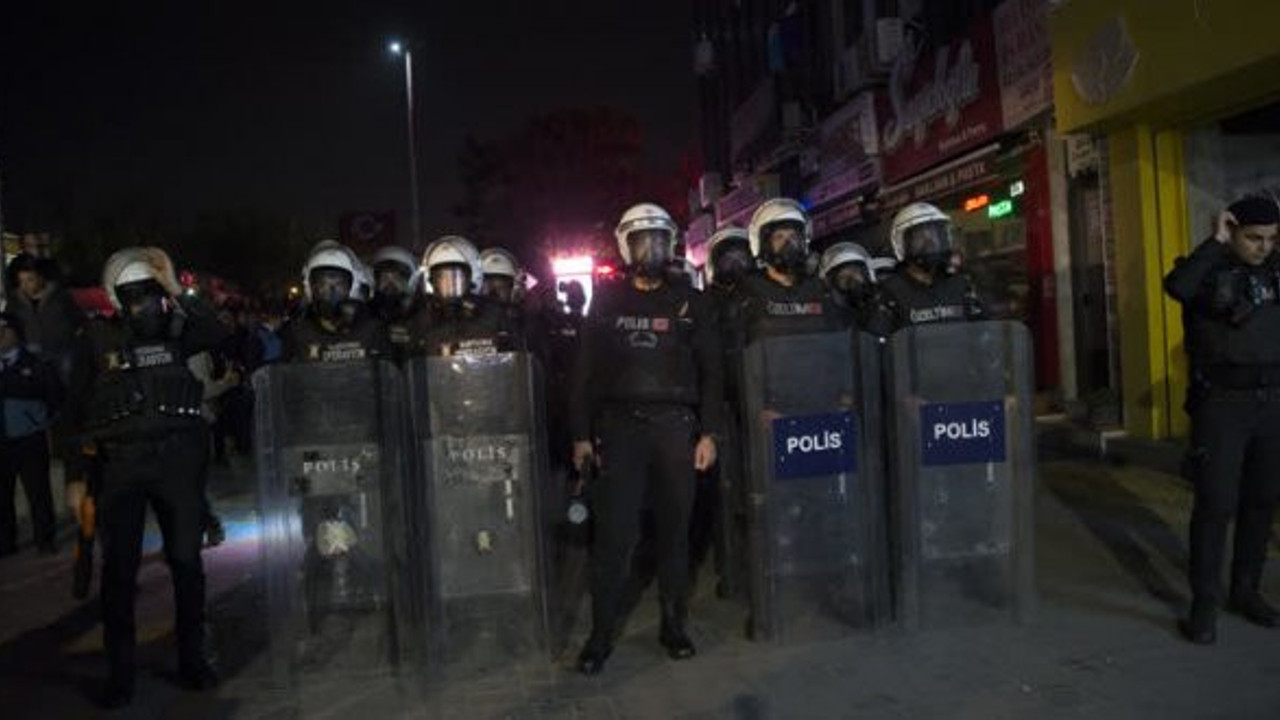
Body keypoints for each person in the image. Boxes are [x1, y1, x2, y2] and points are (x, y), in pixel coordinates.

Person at [67, 247, 227, 707]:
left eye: (152, 296)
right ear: (118, 301)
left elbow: (216, 332)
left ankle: (192, 660)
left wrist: (176, 288)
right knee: (118, 573)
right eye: (133, 298)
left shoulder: (180, 333)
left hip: (177, 463)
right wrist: (77, 476)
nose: (145, 306)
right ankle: (121, 674)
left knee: (185, 563)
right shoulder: (97, 339)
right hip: (120, 466)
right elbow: (74, 409)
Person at [569, 202, 722, 674]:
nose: (650, 249)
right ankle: (599, 636)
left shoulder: (692, 301)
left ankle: (673, 626)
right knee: (615, 536)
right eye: (641, 240)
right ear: (626, 246)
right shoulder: (608, 300)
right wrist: (580, 435)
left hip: (677, 430)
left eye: (659, 240)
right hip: (620, 429)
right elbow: (584, 374)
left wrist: (709, 432)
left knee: (675, 534)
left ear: (670, 246)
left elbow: (712, 373)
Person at [1164, 195, 1280, 644]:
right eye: (1253, 237)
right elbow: (1177, 286)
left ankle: (1246, 592)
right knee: (1215, 506)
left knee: (1262, 501)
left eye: (1271, 239)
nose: (1262, 247)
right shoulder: (1206, 270)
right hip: (1222, 406)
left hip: (1272, 403)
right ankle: (1204, 606)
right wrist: (1214, 242)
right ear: (1232, 229)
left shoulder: (1274, 269)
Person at [0, 312, 63, 556]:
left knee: (38, 492)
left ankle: (45, 539)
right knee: (2, 496)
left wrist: (41, 419)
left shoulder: (35, 362)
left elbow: (53, 393)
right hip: (2, 441)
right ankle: (5, 542)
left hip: (29, 438)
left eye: (4, 330)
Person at [871, 202, 984, 335]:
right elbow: (876, 343)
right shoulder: (888, 294)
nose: (930, 241)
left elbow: (984, 331)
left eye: (935, 234)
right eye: (920, 236)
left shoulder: (961, 285)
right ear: (902, 243)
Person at [736, 198, 840, 341]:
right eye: (779, 237)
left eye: (794, 237)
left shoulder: (822, 291)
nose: (788, 244)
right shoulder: (746, 295)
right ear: (764, 244)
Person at [409, 236, 522, 358]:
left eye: (457, 277)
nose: (450, 283)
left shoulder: (493, 315)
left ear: (471, 279)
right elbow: (411, 365)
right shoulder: (422, 320)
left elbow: (515, 358)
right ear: (431, 282)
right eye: (441, 277)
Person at [279, 240, 388, 363]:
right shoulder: (297, 332)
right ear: (309, 288)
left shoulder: (372, 330)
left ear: (353, 288)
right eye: (322, 285)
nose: (331, 292)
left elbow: (388, 374)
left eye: (339, 285)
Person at [5, 252, 86, 386]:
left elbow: (78, 320)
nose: (26, 286)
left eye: (30, 280)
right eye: (22, 281)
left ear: (40, 278)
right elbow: (10, 326)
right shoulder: (15, 302)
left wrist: (74, 339)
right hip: (31, 354)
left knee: (66, 382)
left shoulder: (60, 297)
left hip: (61, 350)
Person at [368, 244, 423, 361]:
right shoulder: (366, 313)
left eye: (397, 277)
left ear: (412, 280)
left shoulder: (425, 311)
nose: (390, 284)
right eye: (384, 278)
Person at [819, 241, 879, 329]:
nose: (852, 279)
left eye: (855, 271)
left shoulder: (880, 309)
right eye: (843, 276)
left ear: (866, 275)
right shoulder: (825, 314)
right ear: (830, 282)